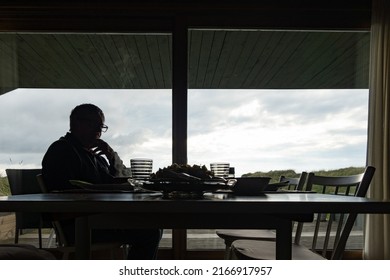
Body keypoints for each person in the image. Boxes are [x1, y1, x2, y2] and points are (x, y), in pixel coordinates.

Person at [42, 103, 162, 259]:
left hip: (99, 217)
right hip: (80, 224)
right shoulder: (62, 150)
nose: (99, 131)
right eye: (94, 125)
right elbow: (61, 192)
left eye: (101, 127)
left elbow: (117, 179)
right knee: (150, 231)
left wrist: (111, 156)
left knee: (153, 225)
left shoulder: (95, 155)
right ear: (77, 123)